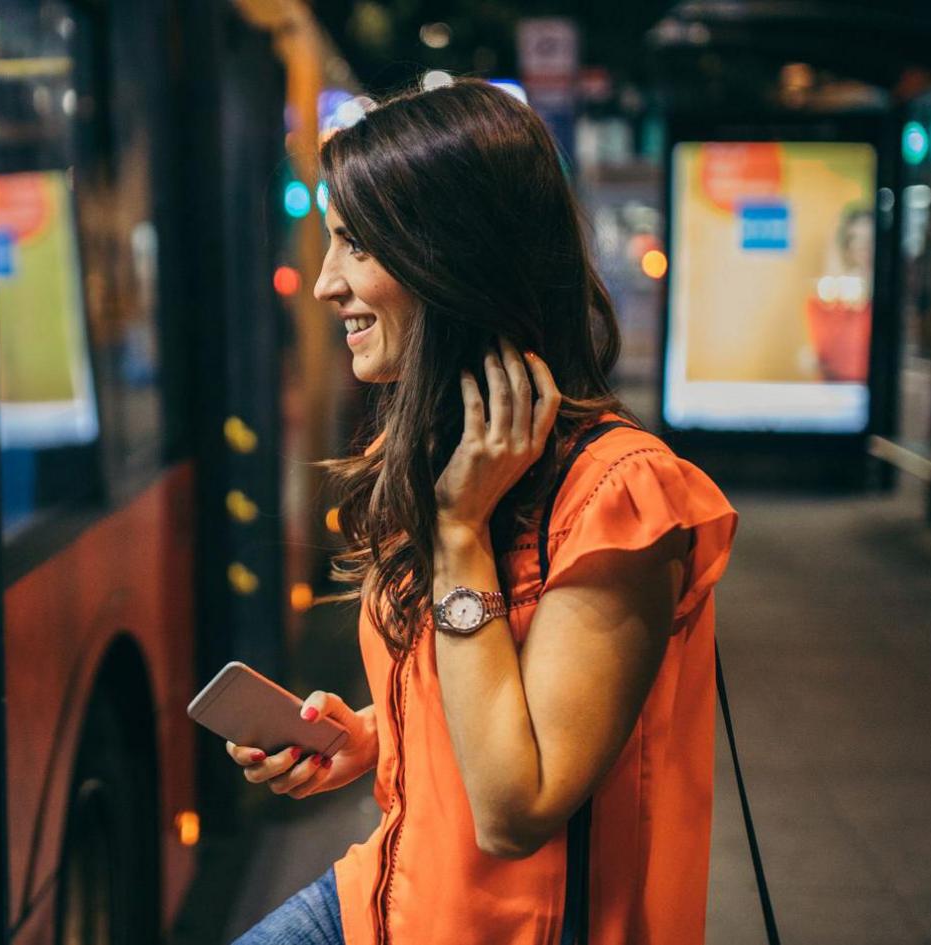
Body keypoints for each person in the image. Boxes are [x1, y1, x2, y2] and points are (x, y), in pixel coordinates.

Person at [227, 79, 738, 945]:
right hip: (388, 897)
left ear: (447, 258)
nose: (322, 284)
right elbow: (478, 700)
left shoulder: (621, 495)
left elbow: (514, 807)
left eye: (355, 246)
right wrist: (372, 734)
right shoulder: (435, 453)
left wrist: (461, 534)